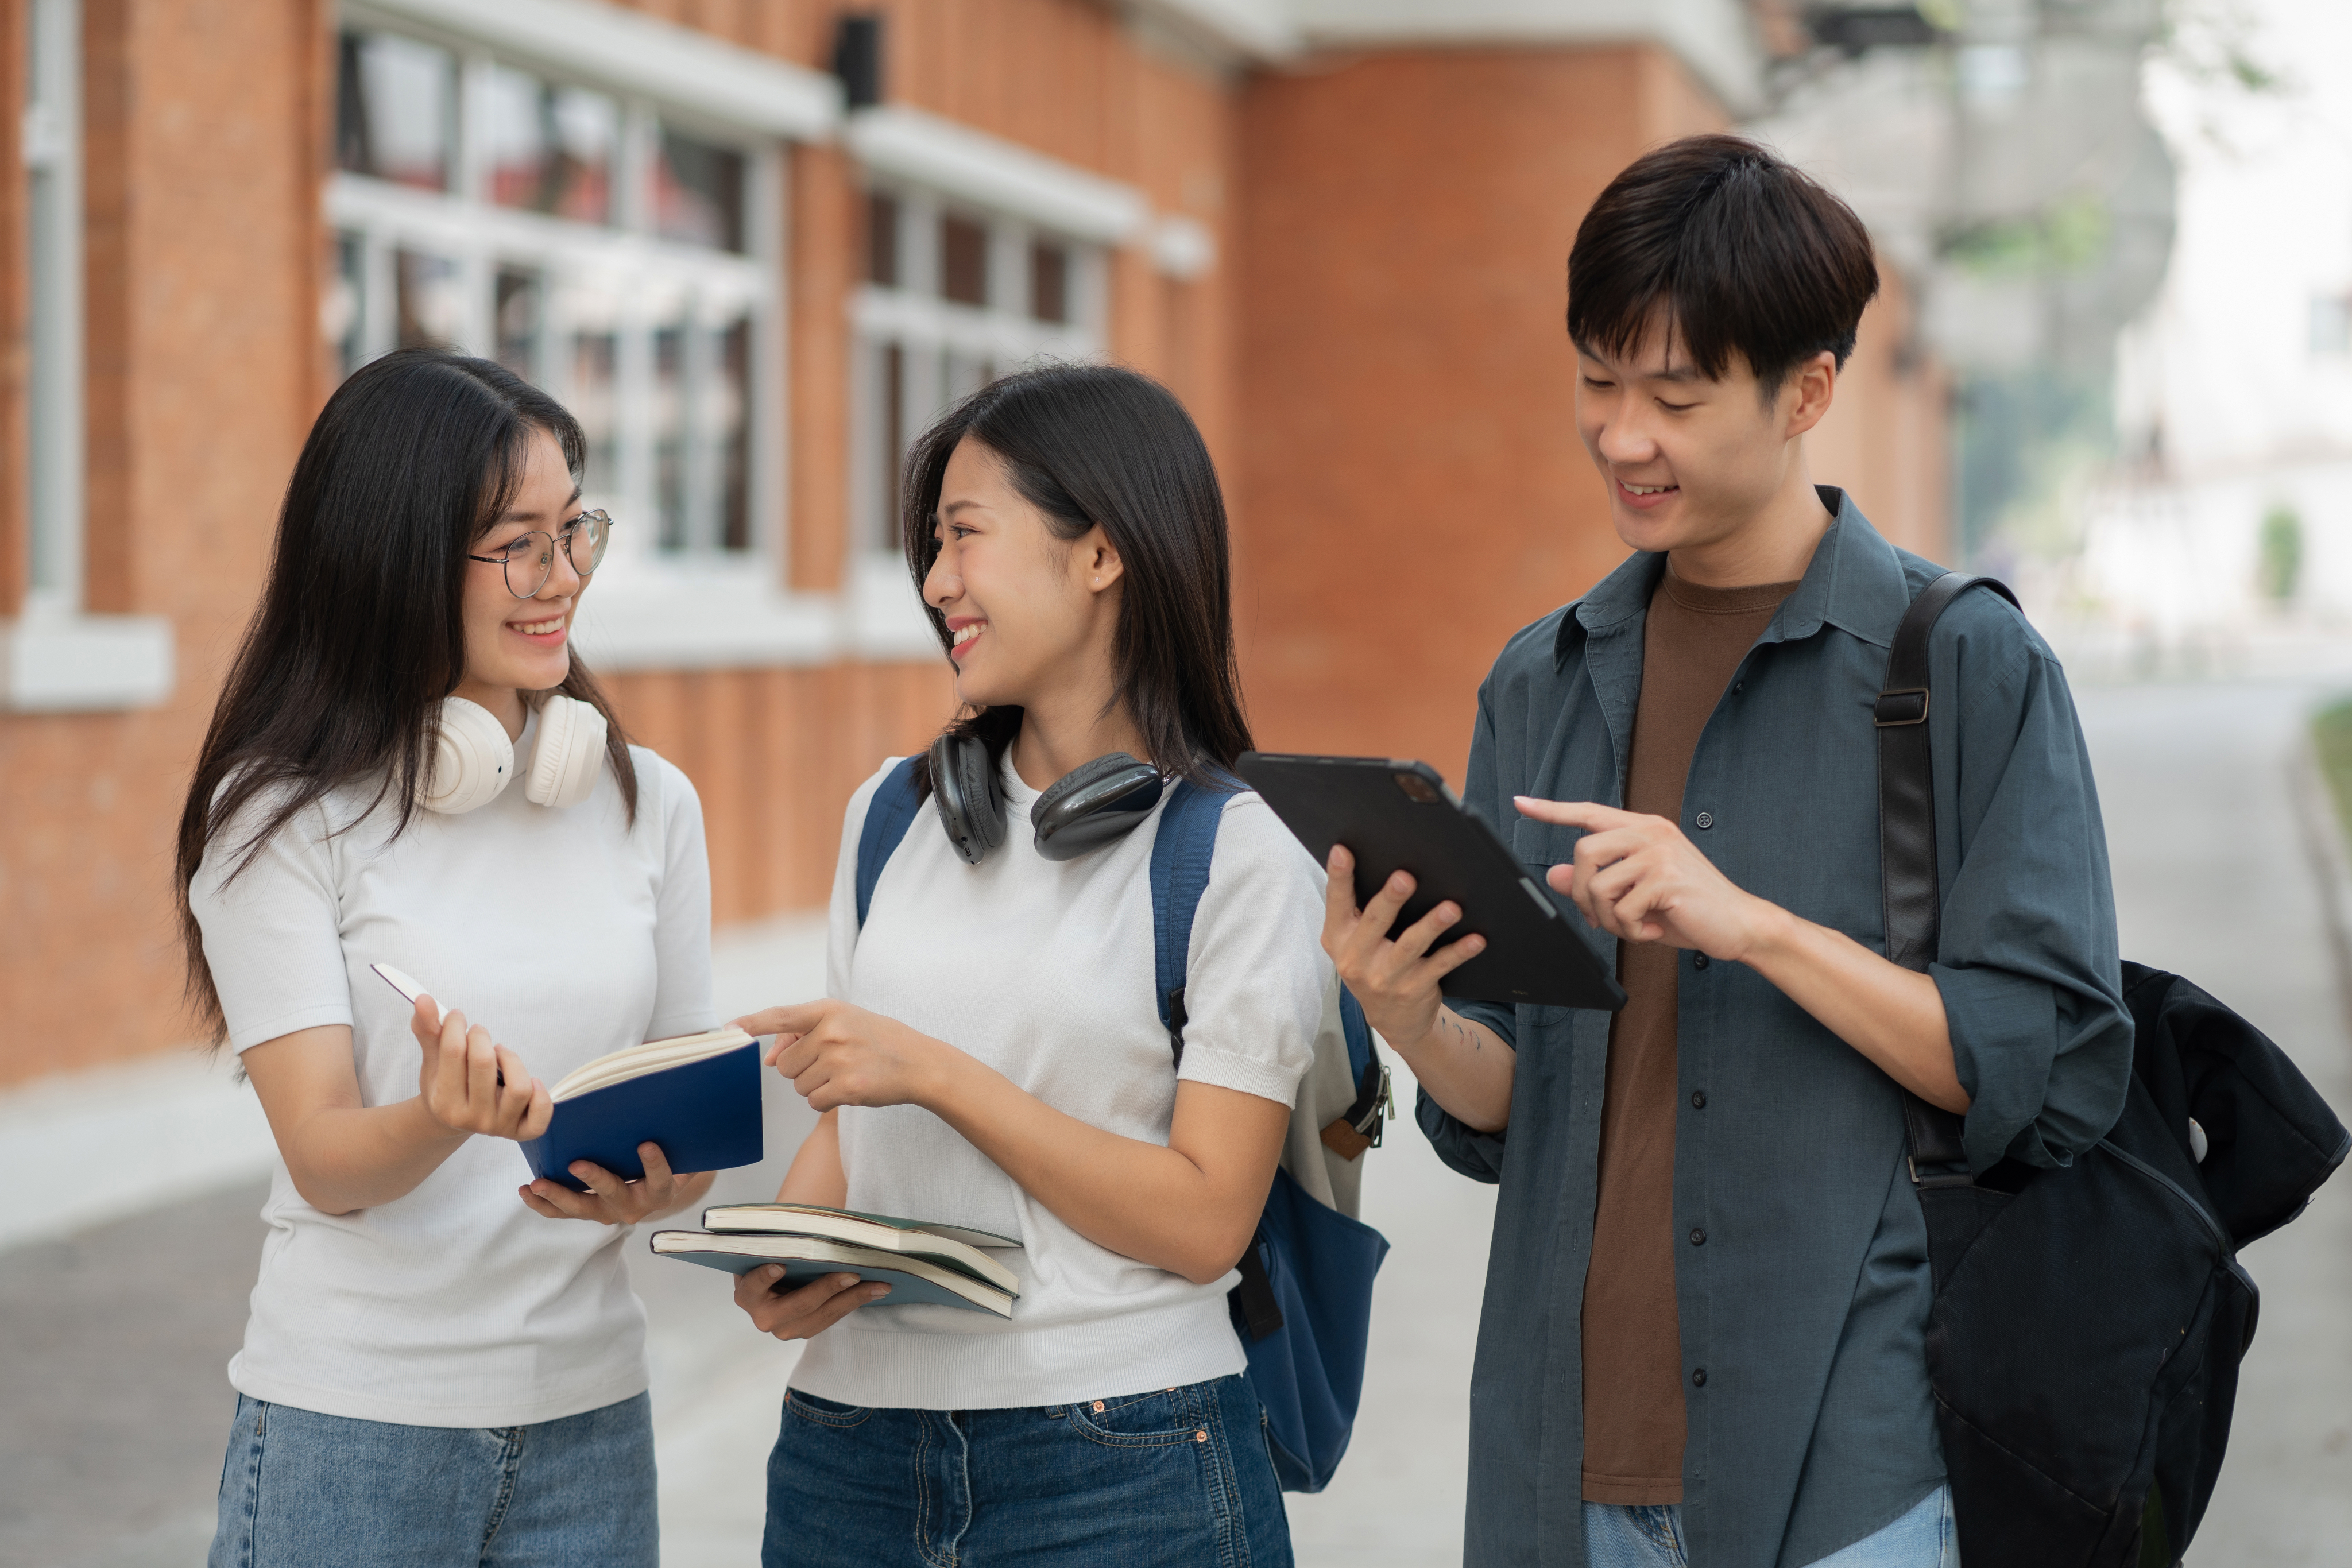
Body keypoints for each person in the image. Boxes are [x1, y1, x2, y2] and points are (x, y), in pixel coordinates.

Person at [1322, 136, 2130, 1568]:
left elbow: (2045, 1067)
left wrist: (1748, 924)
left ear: (1807, 389)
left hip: (1845, 1469)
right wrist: (1410, 1019)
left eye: (1675, 396)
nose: (1622, 435)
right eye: (1596, 379)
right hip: (1555, 1465)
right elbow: (1523, 1101)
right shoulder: (1541, 680)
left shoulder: (1962, 670)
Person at [726, 364, 1317, 1568]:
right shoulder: (889, 817)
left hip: (1123, 1464)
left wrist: (939, 1074)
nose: (935, 582)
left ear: (1099, 552)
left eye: (963, 536)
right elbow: (854, 1128)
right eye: (930, 547)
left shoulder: (1238, 851)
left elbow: (1207, 1218)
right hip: (850, 1455)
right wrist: (787, 1246)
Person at [177, 347, 716, 1567]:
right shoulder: (280, 819)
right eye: (517, 541)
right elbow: (323, 1157)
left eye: (574, 528)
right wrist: (436, 1115)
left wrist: (661, 1186)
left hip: (591, 1423)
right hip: (353, 1440)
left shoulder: (649, 803)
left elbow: (689, 1130)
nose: (562, 577)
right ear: (396, 553)